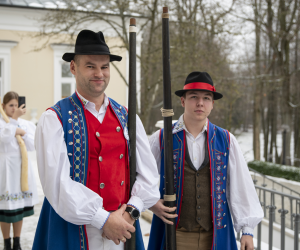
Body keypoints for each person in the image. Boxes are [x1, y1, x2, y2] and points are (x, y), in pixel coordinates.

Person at [32, 30, 160, 250]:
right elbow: (57, 184)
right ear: (73, 67)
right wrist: (102, 219)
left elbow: (149, 176)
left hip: (122, 226)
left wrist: (131, 211)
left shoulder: (127, 117)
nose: (99, 73)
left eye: (105, 67)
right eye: (90, 66)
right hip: (73, 227)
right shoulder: (54, 119)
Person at [148, 72, 264, 250]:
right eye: (194, 97)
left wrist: (247, 229)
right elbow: (138, 173)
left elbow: (241, 185)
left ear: (212, 104)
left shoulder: (226, 140)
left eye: (206, 98)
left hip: (215, 237)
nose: (200, 103)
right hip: (174, 235)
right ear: (183, 101)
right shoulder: (163, 138)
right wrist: (152, 201)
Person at [0, 91, 39, 250]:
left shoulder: (25, 123)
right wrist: (14, 123)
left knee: (19, 206)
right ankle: (6, 241)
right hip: (6, 169)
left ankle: (17, 241)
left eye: (16, 105)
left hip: (21, 168)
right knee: (5, 207)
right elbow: (4, 138)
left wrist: (21, 131)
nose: (14, 108)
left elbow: (32, 145)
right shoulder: (2, 123)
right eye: (11, 106)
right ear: (3, 106)